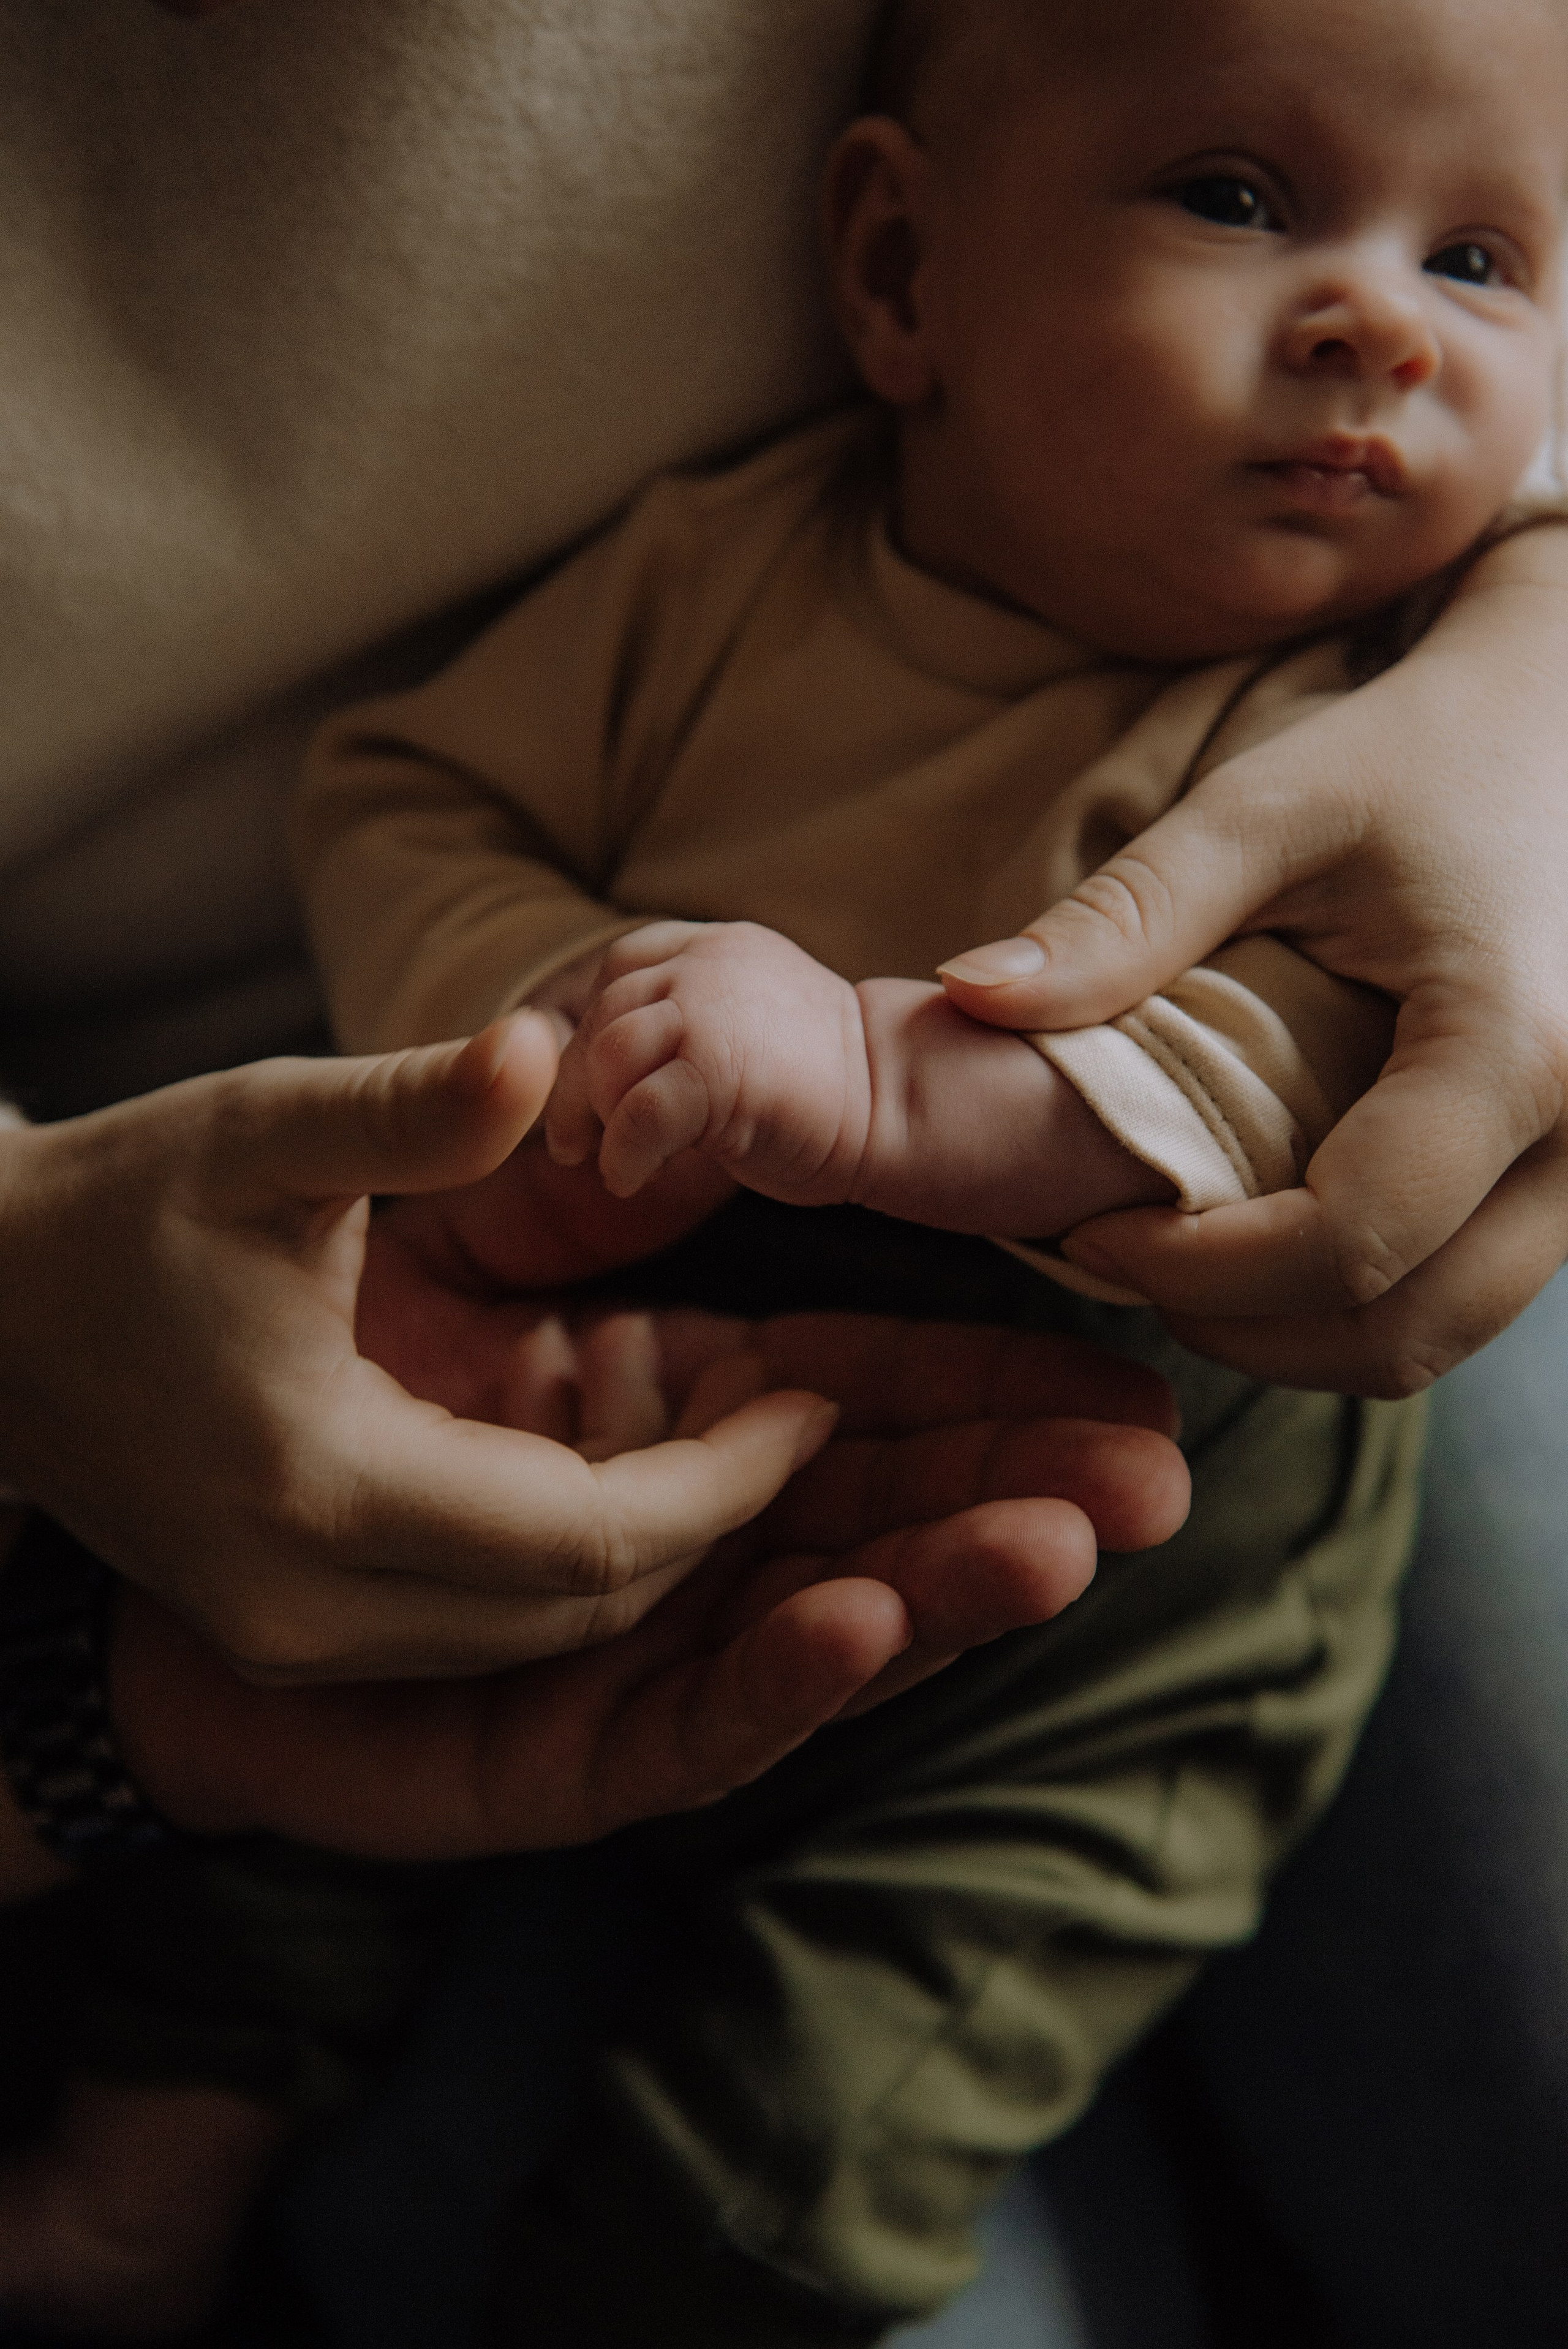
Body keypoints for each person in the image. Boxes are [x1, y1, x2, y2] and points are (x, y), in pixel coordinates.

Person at [1, 0, 1567, 2341]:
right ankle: (155, 2160)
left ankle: (710, 2253)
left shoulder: (1384, 711)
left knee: (865, 2068)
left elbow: (1264, 1091)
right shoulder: (725, 566)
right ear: (898, 268)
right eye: (1237, 201)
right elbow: (404, 794)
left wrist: (852, 1070)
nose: (1374, 319)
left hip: (1137, 1543)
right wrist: (556, 1011)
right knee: (287, 1746)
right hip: (594, 1319)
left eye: (1485, 258)